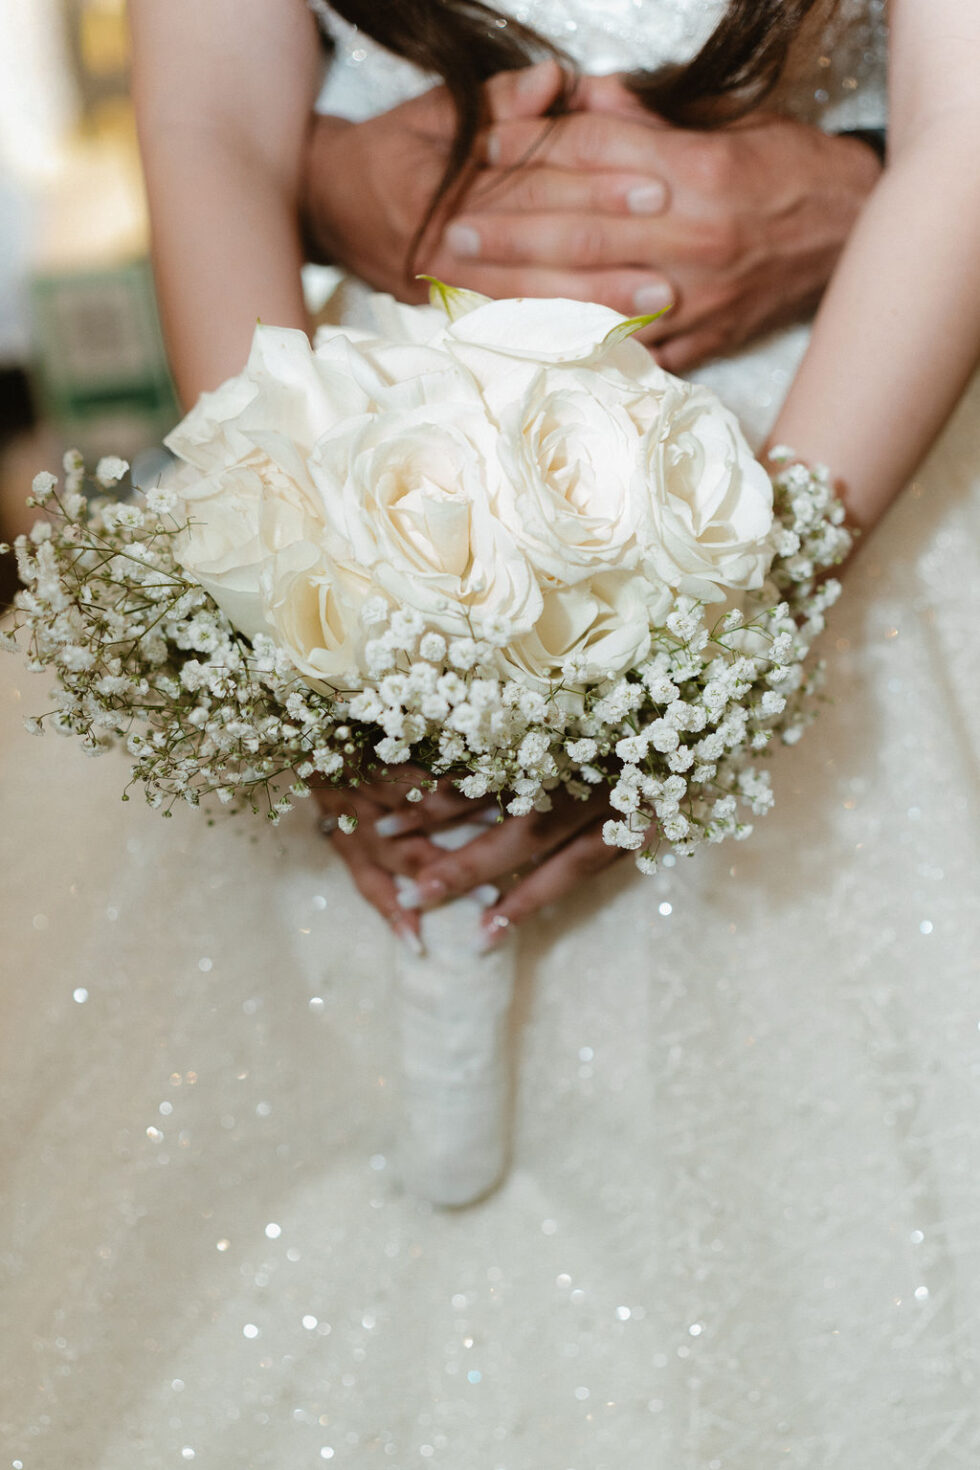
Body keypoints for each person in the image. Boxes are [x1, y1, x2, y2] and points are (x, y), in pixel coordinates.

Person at [0, 0, 978, 1463]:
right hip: (379, 435)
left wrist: (715, 649)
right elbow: (209, 113)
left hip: (844, 435)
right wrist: (300, 591)